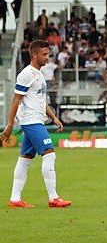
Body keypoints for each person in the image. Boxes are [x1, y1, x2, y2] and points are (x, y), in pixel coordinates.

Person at [1, 40, 71, 209]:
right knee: (49, 153)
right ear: (34, 56)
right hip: (30, 121)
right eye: (44, 54)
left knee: (25, 159)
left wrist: (53, 117)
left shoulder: (39, 74)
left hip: (36, 120)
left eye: (48, 54)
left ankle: (15, 199)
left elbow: (40, 100)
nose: (47, 57)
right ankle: (53, 198)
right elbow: (15, 100)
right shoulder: (26, 74)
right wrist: (10, 125)